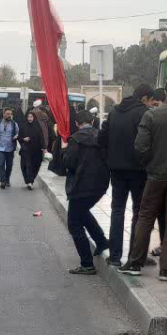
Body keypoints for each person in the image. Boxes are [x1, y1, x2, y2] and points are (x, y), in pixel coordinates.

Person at [118, 78, 167, 282]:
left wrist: (150, 164)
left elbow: (140, 147)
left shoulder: (151, 115)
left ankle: (135, 263)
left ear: (165, 93)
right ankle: (165, 270)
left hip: (156, 174)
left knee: (145, 217)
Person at [99, 84, 154, 267]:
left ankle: (114, 256)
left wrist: (109, 159)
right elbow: (148, 142)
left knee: (117, 210)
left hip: (116, 169)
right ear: (145, 98)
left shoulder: (114, 111)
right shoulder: (144, 113)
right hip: (139, 171)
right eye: (151, 101)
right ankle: (135, 257)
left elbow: (101, 137)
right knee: (139, 212)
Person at [63, 110, 111, 275]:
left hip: (80, 186)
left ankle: (87, 263)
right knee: (82, 213)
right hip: (100, 185)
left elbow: (69, 163)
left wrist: (64, 150)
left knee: (74, 223)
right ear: (92, 121)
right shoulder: (101, 137)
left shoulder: (75, 139)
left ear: (77, 123)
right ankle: (102, 241)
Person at [18, 110, 45, 189]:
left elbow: (41, 138)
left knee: (32, 166)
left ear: (34, 118)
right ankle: (28, 180)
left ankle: (30, 181)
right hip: (25, 149)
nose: (30, 118)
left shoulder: (38, 127)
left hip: (35, 150)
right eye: (28, 117)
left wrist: (44, 148)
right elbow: (19, 137)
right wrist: (23, 139)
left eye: (31, 117)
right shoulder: (23, 126)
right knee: (23, 166)